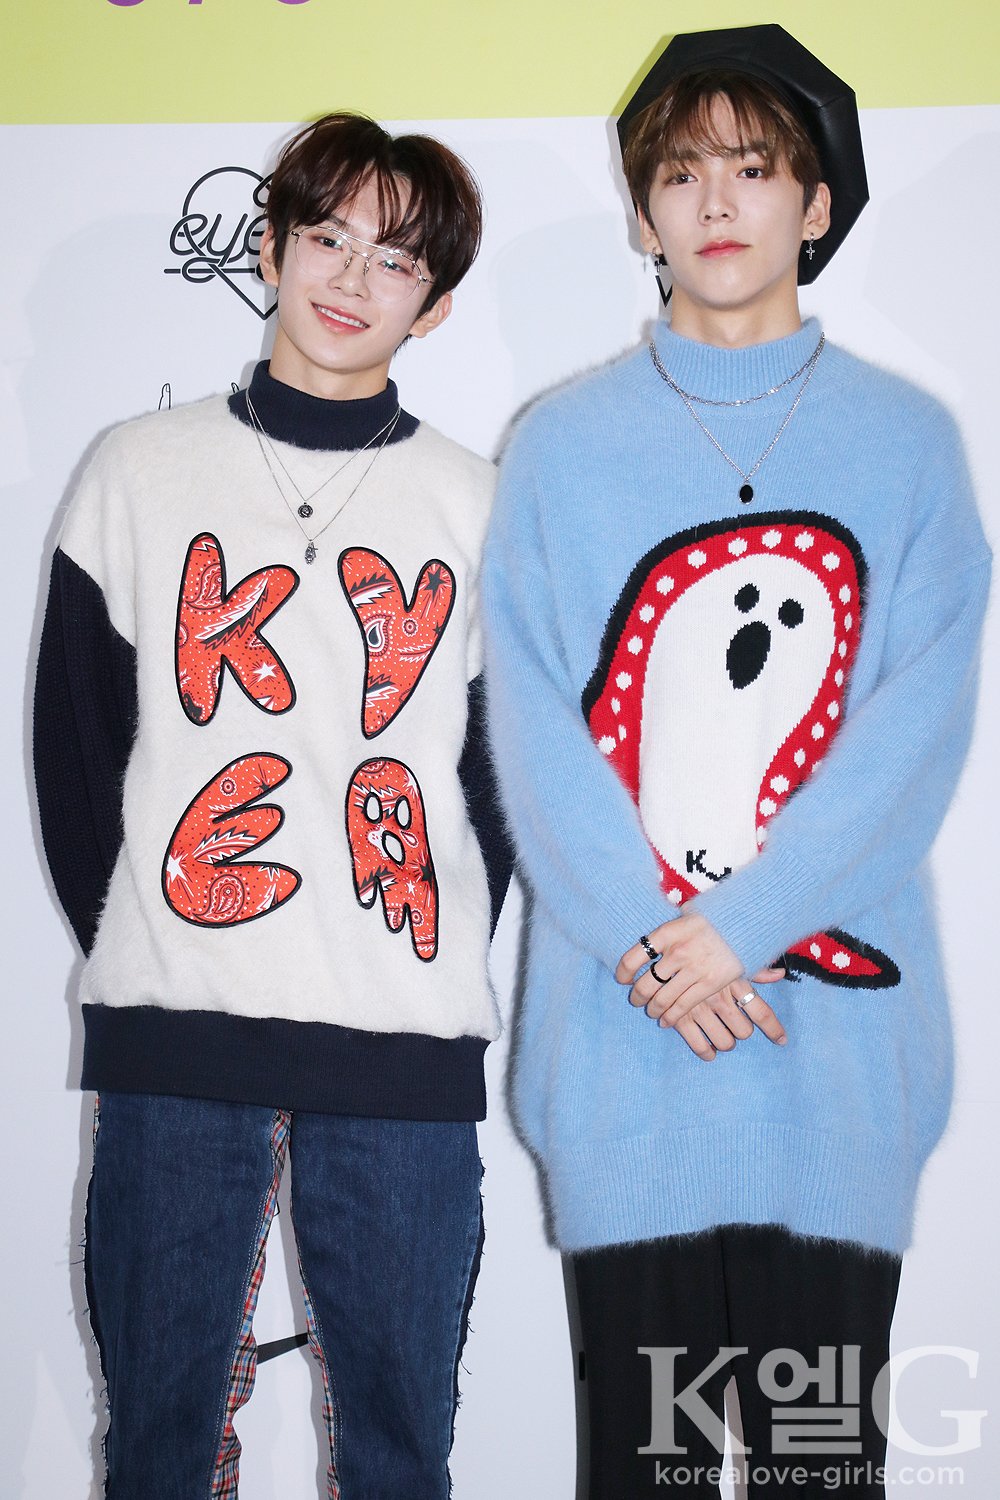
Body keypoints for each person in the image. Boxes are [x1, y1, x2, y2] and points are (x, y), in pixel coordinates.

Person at [482, 24, 989, 1500]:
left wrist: (740, 923)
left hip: (835, 1074)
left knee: (817, 1473)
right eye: (682, 173)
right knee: (642, 1474)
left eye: (755, 169)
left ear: (816, 204)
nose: (716, 202)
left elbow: (917, 732)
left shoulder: (909, 445)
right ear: (642, 215)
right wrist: (662, 942)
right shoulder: (561, 449)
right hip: (625, 1051)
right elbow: (536, 730)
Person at [33, 112, 511, 1499]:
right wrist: (161, 938)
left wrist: (420, 939)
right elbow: (77, 750)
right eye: (329, 237)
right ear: (272, 248)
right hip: (179, 1035)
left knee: (404, 1449)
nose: (353, 279)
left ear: (433, 304)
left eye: (398, 260)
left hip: (403, 1043)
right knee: (161, 1447)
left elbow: (497, 785)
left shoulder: (478, 504)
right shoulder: (137, 468)